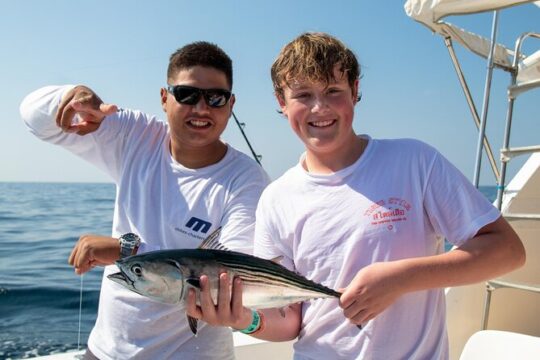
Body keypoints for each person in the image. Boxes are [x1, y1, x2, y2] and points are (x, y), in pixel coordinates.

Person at [185, 32, 526, 359]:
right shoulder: (276, 198)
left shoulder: (414, 162)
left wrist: (400, 278)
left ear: (355, 90)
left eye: (333, 90)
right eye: (303, 95)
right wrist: (244, 319)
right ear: (282, 103)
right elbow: (289, 319)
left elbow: (507, 251)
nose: (320, 108)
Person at [20, 42, 270, 360]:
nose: (202, 108)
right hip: (104, 351)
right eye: (187, 94)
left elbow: (234, 275)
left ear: (231, 104)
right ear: (164, 99)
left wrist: (126, 252)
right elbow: (34, 118)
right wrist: (72, 95)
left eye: (215, 98)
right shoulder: (137, 137)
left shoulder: (246, 179)